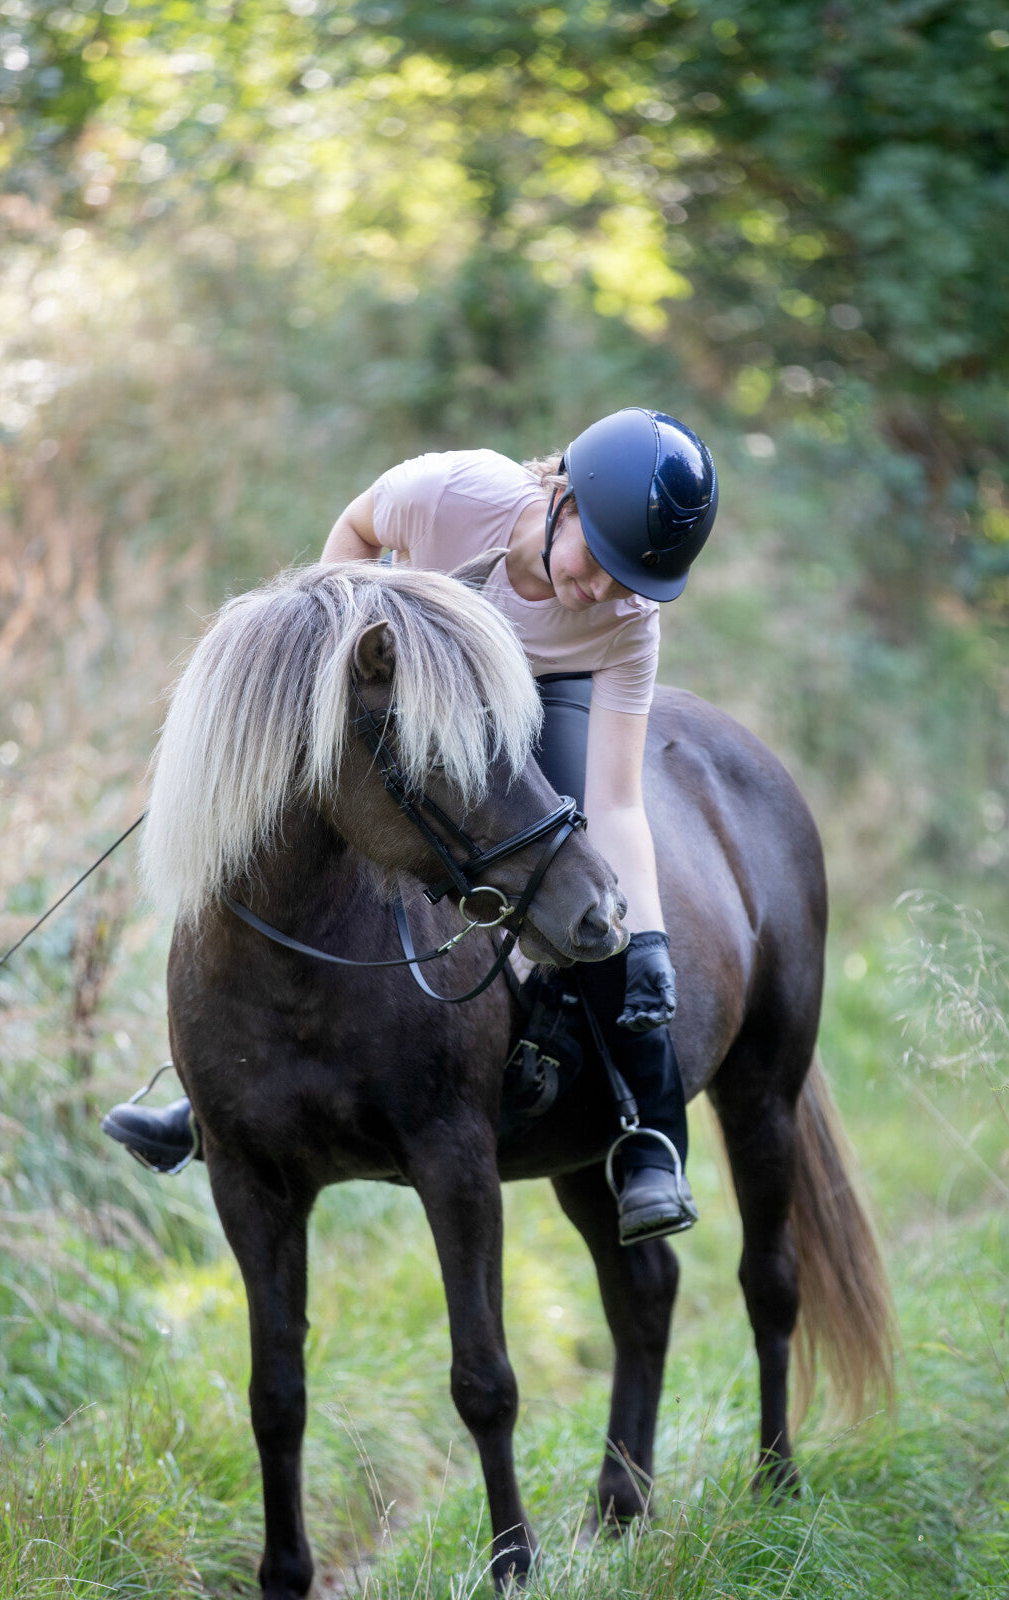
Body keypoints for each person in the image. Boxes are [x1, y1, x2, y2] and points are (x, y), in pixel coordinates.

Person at [103, 407, 718, 1244]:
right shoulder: (454, 492)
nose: (602, 589)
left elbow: (615, 804)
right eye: (598, 561)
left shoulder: (623, 625)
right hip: (439, 683)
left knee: (571, 863)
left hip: (549, 699)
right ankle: (212, 1093)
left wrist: (643, 942)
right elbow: (357, 529)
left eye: (629, 581)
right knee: (289, 830)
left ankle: (645, 1133)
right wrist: (327, 663)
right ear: (563, 498)